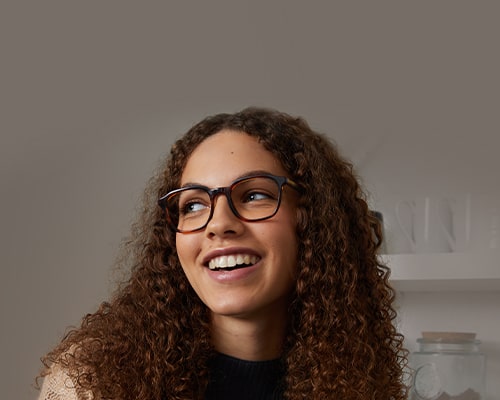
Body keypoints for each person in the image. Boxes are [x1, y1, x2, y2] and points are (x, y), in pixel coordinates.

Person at [37, 107, 408, 399]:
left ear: (311, 218)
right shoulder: (92, 383)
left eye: (255, 195)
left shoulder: (363, 384)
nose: (218, 224)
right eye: (193, 205)